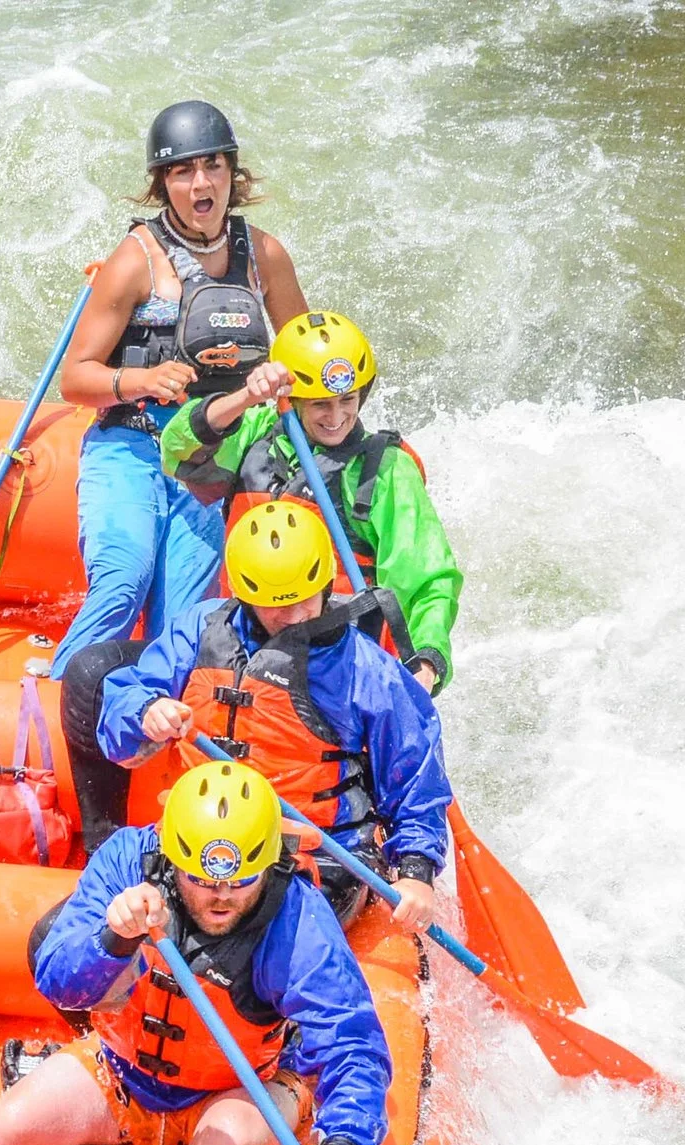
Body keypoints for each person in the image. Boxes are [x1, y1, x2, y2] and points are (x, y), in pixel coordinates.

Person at [0, 760, 387, 1145]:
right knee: (9, 1130)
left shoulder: (297, 915)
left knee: (230, 1137)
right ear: (174, 857)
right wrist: (113, 938)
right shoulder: (128, 861)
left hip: (245, 1085)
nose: (221, 897)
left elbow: (353, 1041)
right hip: (124, 1068)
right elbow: (59, 980)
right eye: (201, 880)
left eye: (240, 882)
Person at [69, 500, 452, 933]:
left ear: (325, 585)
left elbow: (416, 774)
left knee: (250, 943)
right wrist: (144, 710)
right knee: (61, 936)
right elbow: (125, 705)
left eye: (304, 601)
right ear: (245, 596)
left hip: (310, 856)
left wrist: (417, 872)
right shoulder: (200, 629)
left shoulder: (367, 671)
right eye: (274, 606)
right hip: (194, 842)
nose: (291, 617)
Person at [49, 99, 309, 689]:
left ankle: (153, 715)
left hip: (208, 461)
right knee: (123, 581)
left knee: (184, 618)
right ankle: (57, 702)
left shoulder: (264, 255)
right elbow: (75, 379)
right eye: (181, 171)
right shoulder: (135, 260)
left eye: (212, 166)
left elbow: (301, 353)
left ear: (231, 175)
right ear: (163, 183)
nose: (199, 183)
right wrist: (137, 380)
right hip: (129, 448)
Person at [160, 309, 462, 691]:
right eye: (320, 404)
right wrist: (246, 396)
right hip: (244, 638)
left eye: (347, 400)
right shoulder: (253, 434)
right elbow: (175, 450)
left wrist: (428, 660)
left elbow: (427, 579)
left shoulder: (385, 470)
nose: (336, 417)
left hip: (335, 659)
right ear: (294, 400)